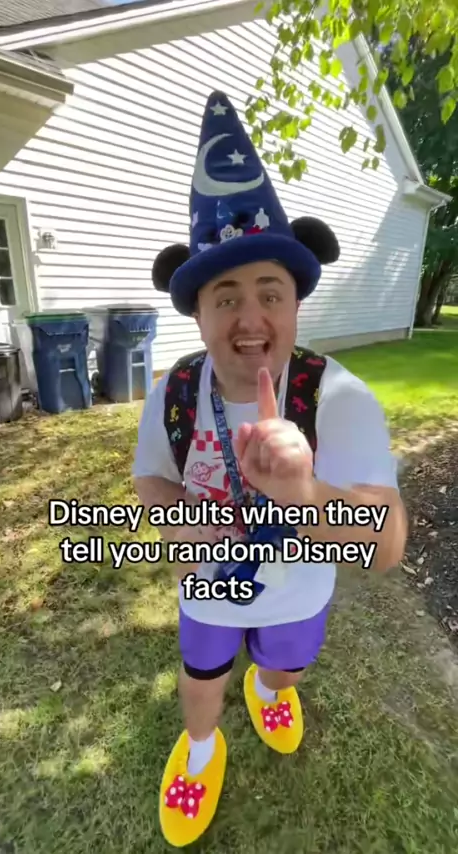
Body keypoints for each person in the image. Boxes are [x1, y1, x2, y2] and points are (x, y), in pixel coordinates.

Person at [132, 90, 407, 847]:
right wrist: (176, 520)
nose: (249, 318)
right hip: (208, 589)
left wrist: (304, 491)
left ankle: (270, 684)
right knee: (200, 679)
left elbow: (386, 546)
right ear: (198, 313)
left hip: (300, 592)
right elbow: (150, 477)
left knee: (284, 672)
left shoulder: (337, 396)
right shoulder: (174, 392)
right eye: (225, 297)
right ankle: (199, 750)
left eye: (269, 293)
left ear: (294, 305)